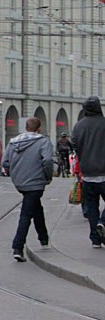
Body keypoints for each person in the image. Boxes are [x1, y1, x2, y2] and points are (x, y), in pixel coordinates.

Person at [2, 117, 53, 262]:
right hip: (36, 182)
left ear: (26, 127)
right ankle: (17, 247)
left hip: (20, 182)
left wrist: (15, 171)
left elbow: (4, 162)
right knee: (26, 214)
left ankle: (44, 238)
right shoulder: (43, 141)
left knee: (36, 208)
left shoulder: (13, 142)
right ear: (39, 129)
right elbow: (48, 160)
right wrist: (47, 176)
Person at [70, 96, 105, 248]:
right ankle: (102, 222)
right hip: (104, 171)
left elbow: (74, 145)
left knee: (91, 206)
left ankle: (95, 239)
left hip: (87, 173)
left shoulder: (79, 126)